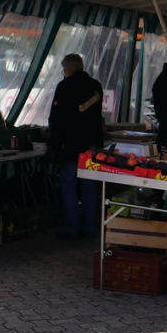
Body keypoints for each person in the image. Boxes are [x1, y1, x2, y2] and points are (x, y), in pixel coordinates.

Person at [48, 53, 104, 239]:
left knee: (69, 185)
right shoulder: (96, 86)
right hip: (91, 145)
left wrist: (54, 146)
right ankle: (89, 227)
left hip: (71, 145)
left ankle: (72, 229)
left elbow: (56, 119)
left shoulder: (64, 86)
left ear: (67, 70)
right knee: (88, 185)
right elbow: (97, 117)